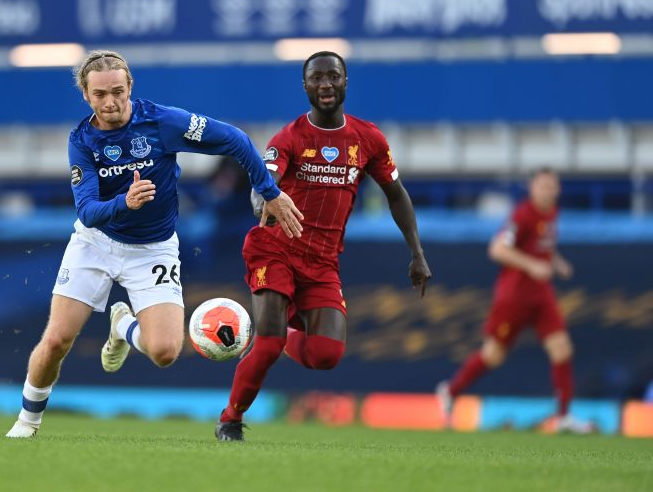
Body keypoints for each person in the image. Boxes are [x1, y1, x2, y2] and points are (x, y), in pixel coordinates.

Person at [6, 50, 303, 438]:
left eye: (117, 91)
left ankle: (124, 326)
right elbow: (88, 212)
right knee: (58, 338)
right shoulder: (81, 141)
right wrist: (123, 203)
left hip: (153, 249)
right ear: (85, 95)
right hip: (95, 244)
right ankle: (27, 422)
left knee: (165, 352)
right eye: (100, 95)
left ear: (131, 87)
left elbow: (235, 140)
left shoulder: (162, 123)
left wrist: (270, 190)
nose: (110, 102)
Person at [214, 51, 432, 441]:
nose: (326, 85)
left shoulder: (368, 139)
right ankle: (230, 418)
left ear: (346, 80)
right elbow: (263, 181)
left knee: (326, 355)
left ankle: (283, 335)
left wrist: (416, 253)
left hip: (323, 261)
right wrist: (262, 201)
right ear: (306, 86)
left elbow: (396, 194)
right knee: (266, 345)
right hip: (276, 248)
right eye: (317, 78)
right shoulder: (290, 137)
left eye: (333, 76)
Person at [436, 168, 594, 433]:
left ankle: (564, 416)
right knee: (494, 355)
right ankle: (450, 391)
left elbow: (541, 246)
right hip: (515, 297)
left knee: (562, 349)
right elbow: (497, 249)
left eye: (552, 186)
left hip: (541, 294)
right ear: (532, 188)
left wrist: (556, 262)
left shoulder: (552, 213)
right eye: (543, 186)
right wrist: (532, 265)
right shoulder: (522, 215)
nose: (548, 191)